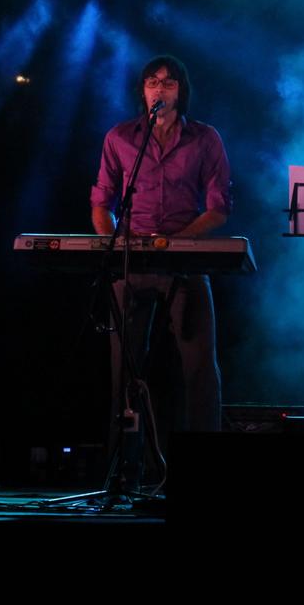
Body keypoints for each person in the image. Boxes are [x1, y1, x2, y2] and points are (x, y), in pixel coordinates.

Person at [89, 54, 233, 443]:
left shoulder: (205, 138)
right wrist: (113, 244)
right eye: (153, 82)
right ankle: (123, 471)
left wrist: (179, 242)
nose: (160, 89)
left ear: (181, 91)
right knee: (123, 368)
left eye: (169, 83)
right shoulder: (119, 138)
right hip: (131, 260)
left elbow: (219, 208)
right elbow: (101, 203)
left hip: (184, 259)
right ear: (142, 91)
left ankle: (204, 466)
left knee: (199, 366)